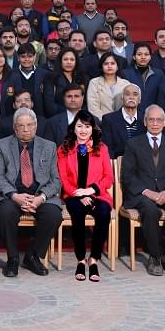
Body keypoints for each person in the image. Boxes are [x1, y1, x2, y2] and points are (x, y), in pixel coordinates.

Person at [0, 108, 63, 277]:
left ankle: (33, 255)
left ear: (36, 126)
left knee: (53, 215)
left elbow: (56, 180)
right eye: (21, 126)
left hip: (39, 195)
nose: (26, 129)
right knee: (5, 212)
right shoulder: (3, 145)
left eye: (30, 125)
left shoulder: (49, 146)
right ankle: (13, 258)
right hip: (13, 194)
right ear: (15, 128)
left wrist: (41, 198)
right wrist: (14, 196)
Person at [120, 105, 165, 275]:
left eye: (159, 120)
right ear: (145, 122)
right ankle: (155, 257)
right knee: (151, 211)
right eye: (151, 119)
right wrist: (147, 192)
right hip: (142, 195)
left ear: (164, 123)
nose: (155, 123)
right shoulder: (133, 144)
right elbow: (128, 176)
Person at [55, 110, 114, 281]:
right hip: (73, 194)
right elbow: (63, 178)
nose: (83, 130)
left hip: (97, 194)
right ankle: (80, 259)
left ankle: (94, 259)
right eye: (79, 126)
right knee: (78, 212)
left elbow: (108, 177)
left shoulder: (101, 148)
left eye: (87, 126)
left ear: (92, 128)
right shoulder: (64, 149)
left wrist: (90, 191)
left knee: (104, 213)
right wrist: (79, 194)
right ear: (73, 128)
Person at [4, 43, 48, 118]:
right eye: (23, 57)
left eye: (30, 56)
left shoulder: (44, 74)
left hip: (40, 117)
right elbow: (8, 98)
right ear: (18, 57)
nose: (27, 59)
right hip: (17, 117)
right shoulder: (10, 74)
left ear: (34, 57)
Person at [41, 48, 87, 117]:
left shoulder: (82, 78)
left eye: (72, 59)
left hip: (79, 118)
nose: (69, 62)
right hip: (57, 118)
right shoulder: (51, 78)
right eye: (65, 59)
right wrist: (70, 113)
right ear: (60, 61)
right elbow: (50, 105)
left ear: (76, 62)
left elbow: (85, 102)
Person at [101, 84, 145, 158]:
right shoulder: (109, 120)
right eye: (127, 94)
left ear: (139, 99)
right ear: (122, 98)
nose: (131, 97)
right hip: (118, 164)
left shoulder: (145, 119)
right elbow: (108, 149)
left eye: (135, 94)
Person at [86, 53, 132, 120]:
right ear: (101, 67)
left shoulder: (126, 84)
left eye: (112, 63)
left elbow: (129, 107)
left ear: (117, 67)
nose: (109, 66)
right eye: (106, 64)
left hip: (123, 123)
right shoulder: (94, 83)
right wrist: (107, 121)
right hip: (101, 123)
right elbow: (93, 108)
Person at [121, 42, 162, 108]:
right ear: (134, 57)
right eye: (139, 54)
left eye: (146, 54)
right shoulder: (125, 74)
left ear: (150, 56)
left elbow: (161, 97)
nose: (143, 57)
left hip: (152, 114)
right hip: (132, 112)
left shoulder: (159, 74)